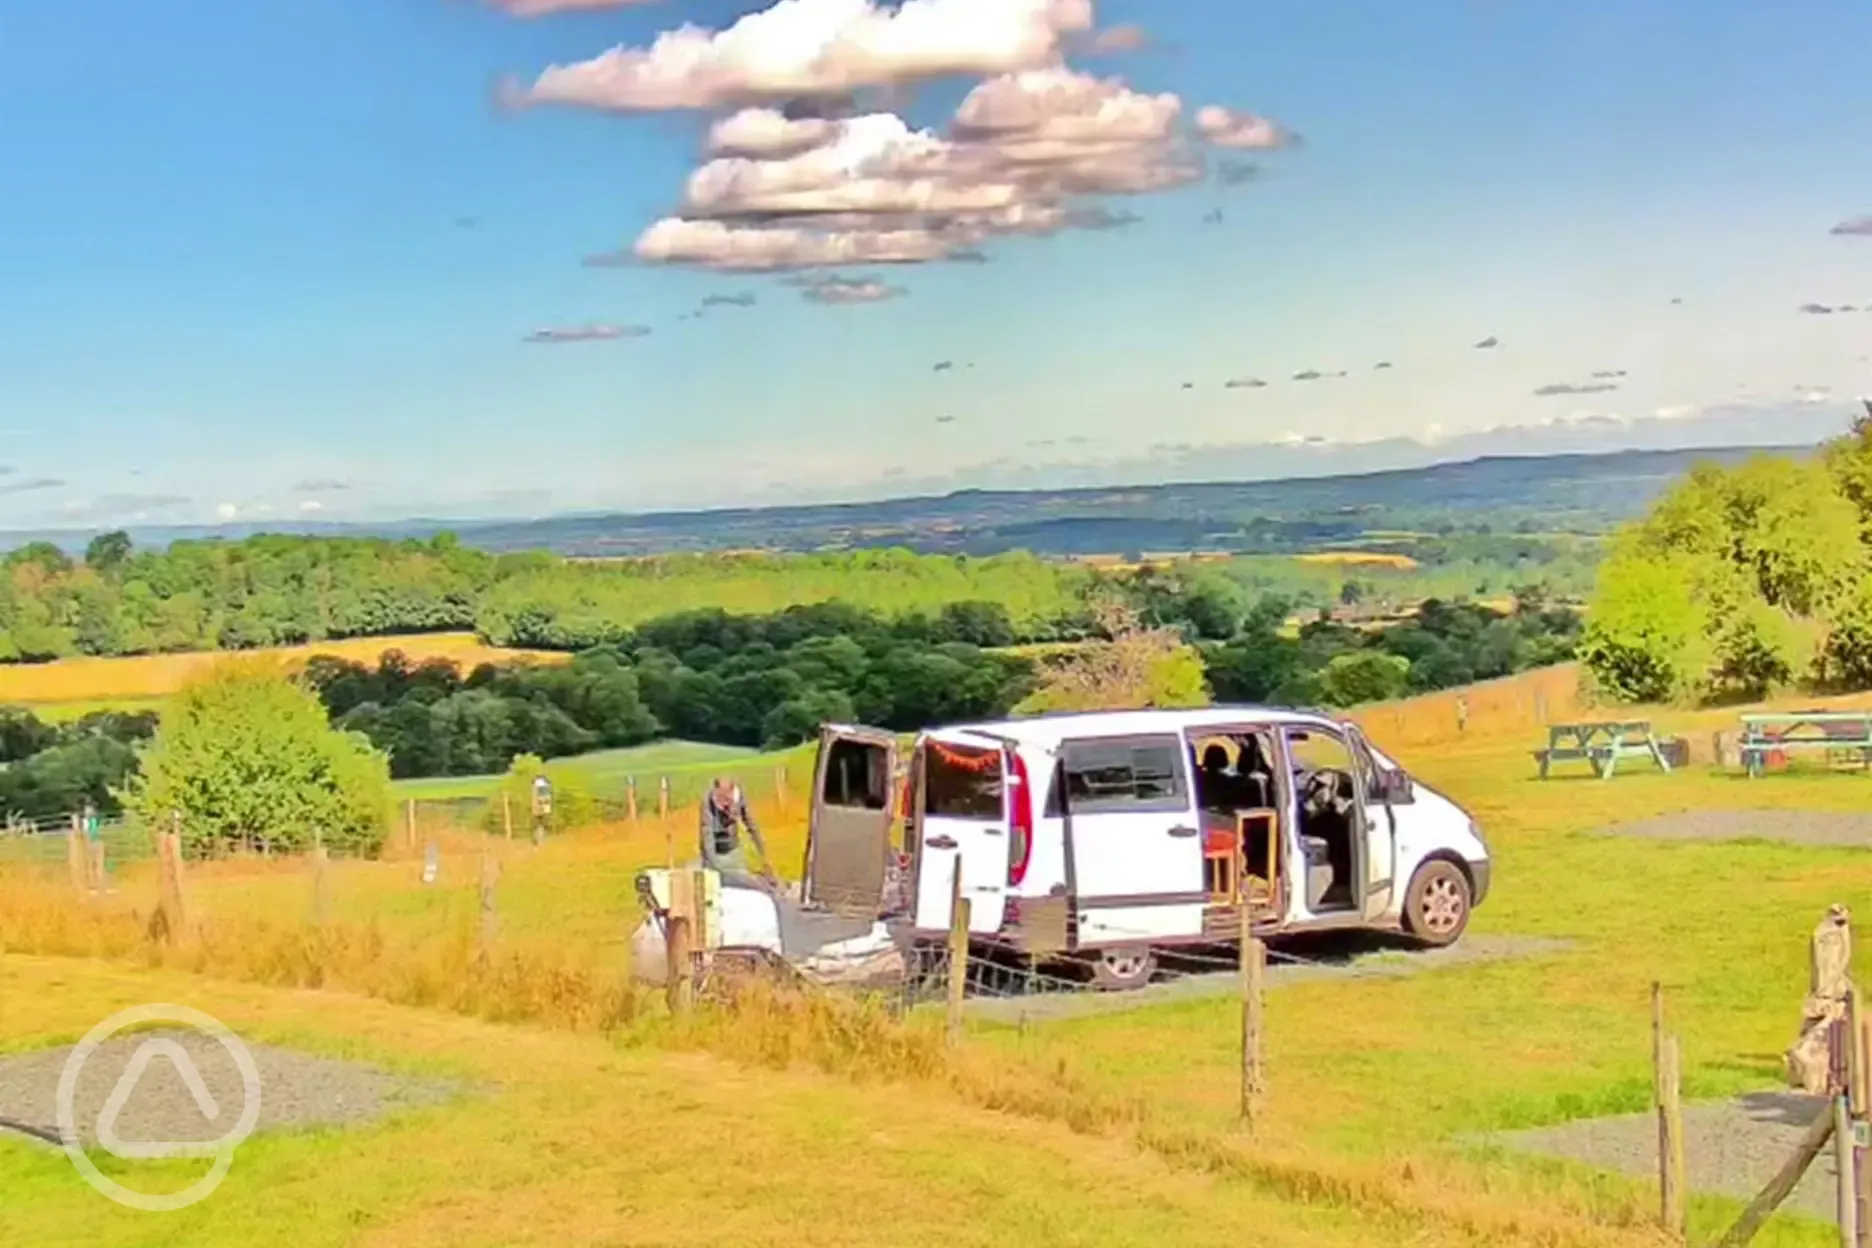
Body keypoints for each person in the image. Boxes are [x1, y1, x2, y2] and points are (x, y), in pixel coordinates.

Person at [698, 776, 778, 892]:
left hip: (732, 848)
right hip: (714, 849)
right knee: (713, 887)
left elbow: (751, 825)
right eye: (721, 800)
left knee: (741, 886)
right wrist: (713, 866)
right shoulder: (707, 802)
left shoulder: (739, 796)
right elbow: (707, 836)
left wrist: (764, 856)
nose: (725, 806)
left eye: (727, 801)